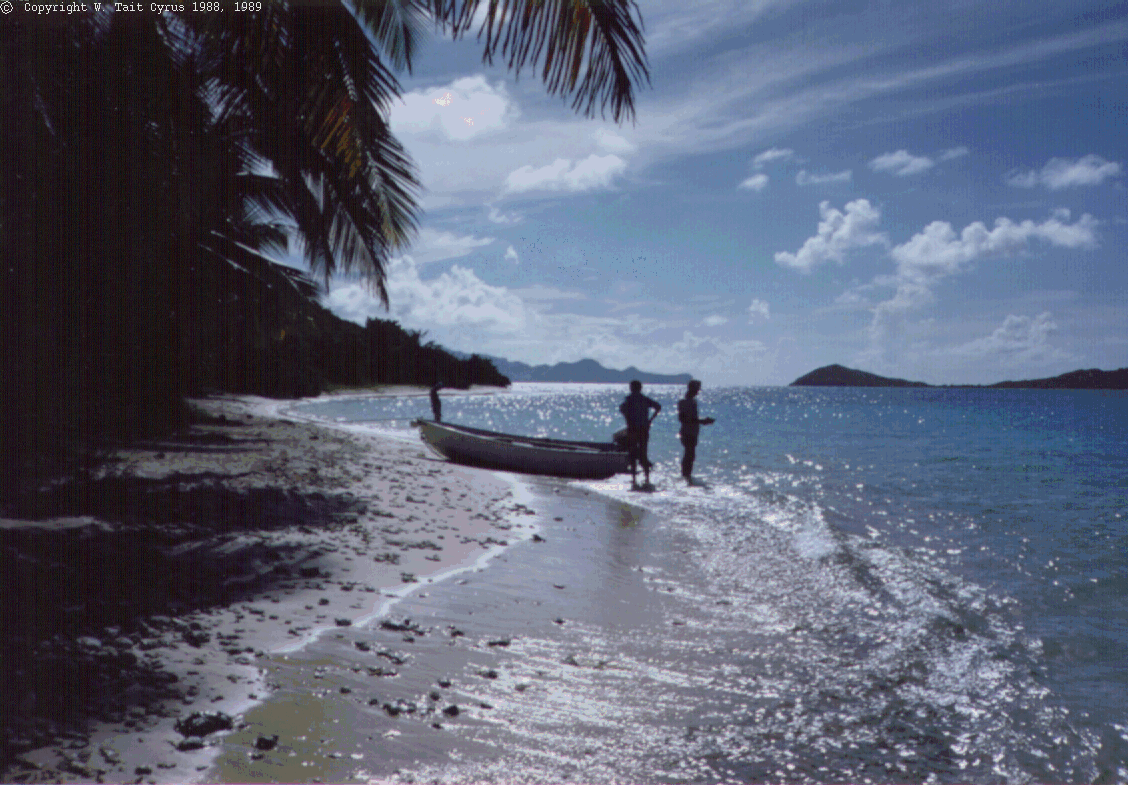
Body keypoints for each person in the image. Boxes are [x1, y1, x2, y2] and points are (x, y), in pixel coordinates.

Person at [619, 379, 661, 486]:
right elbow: (658, 407)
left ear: (631, 388)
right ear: (640, 388)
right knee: (643, 453)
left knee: (633, 453)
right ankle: (647, 478)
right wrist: (650, 420)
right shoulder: (644, 399)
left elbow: (622, 409)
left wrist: (627, 419)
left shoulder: (629, 399)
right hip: (643, 429)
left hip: (633, 429)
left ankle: (634, 478)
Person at [677, 379, 714, 480]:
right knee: (689, 454)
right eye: (697, 389)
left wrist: (701, 421)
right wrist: (701, 421)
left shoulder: (693, 401)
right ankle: (686, 476)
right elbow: (682, 419)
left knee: (690, 455)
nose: (698, 391)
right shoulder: (684, 402)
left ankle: (687, 477)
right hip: (687, 432)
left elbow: (690, 418)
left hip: (693, 432)